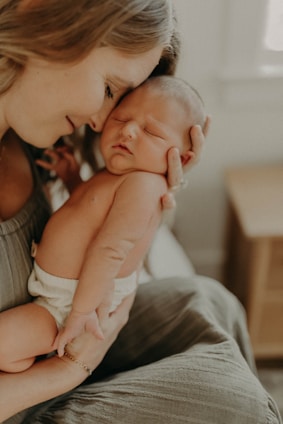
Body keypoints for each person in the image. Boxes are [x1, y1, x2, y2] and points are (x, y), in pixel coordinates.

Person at [0, 1, 281, 423]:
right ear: (43, 17)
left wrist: (149, 188)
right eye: (111, 88)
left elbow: (109, 239)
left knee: (208, 300)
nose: (101, 123)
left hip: (62, 332)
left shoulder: (37, 141)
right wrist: (68, 370)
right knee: (237, 405)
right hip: (26, 388)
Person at [0, 75, 207, 371]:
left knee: (4, 343)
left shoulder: (144, 186)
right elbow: (90, 215)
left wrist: (82, 313)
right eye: (121, 119)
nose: (130, 131)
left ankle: (39, 369)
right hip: (61, 297)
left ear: (183, 158)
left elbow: (111, 249)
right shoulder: (119, 176)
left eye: (152, 132)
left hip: (69, 306)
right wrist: (73, 179)